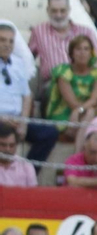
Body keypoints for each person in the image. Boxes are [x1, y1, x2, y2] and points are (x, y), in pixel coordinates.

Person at [0, 24, 55, 167]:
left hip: (17, 120)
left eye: (11, 41)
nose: (7, 45)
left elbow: (27, 95)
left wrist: (23, 121)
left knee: (49, 133)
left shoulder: (18, 64)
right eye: (2, 40)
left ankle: (27, 171)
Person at [46, 35, 97, 137]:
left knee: (96, 112)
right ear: (72, 53)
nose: (82, 53)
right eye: (78, 49)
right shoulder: (63, 71)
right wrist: (78, 110)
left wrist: (79, 110)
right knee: (90, 112)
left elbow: (94, 99)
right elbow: (72, 103)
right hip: (65, 113)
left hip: (85, 112)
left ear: (91, 53)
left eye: (86, 49)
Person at [29, 0, 95, 77]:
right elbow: (27, 57)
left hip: (82, 82)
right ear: (47, 10)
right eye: (54, 11)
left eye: (62, 11)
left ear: (69, 10)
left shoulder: (86, 32)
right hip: (52, 82)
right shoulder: (38, 31)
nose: (58, 15)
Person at [0, 121, 37, 186]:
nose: (7, 149)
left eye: (11, 145)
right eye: (3, 145)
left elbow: (33, 194)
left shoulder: (26, 166)